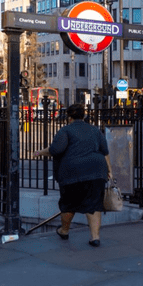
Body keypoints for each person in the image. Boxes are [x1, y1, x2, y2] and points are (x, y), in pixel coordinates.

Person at [33, 104, 112, 248]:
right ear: (84, 115)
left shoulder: (66, 130)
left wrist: (38, 152)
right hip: (96, 170)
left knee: (69, 204)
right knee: (94, 205)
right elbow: (105, 151)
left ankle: (64, 230)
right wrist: (109, 170)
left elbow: (56, 150)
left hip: (72, 172)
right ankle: (95, 237)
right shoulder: (95, 130)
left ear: (69, 117)